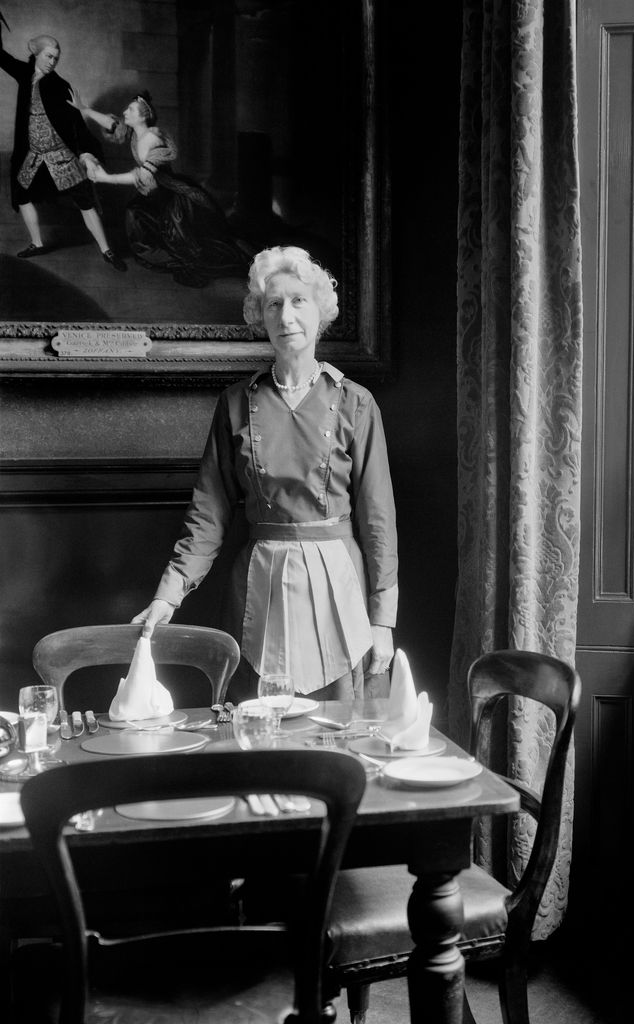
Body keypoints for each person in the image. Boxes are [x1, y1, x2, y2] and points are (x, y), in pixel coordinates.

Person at [132, 246, 398, 701]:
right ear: (260, 315)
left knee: (339, 733)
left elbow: (378, 520)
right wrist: (167, 596)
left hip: (340, 585)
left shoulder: (356, 402)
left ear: (320, 313)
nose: (286, 316)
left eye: (299, 301)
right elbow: (208, 513)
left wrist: (383, 622)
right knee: (255, 725)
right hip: (259, 584)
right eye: (273, 304)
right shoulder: (236, 402)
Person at [70, 90, 254, 288]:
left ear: (143, 116)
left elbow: (142, 175)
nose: (124, 112)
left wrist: (106, 178)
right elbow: (113, 125)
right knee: (135, 215)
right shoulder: (135, 132)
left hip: (171, 196)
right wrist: (85, 110)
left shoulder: (154, 139)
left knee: (189, 246)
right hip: (153, 193)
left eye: (130, 109)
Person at [0, 24, 125, 270]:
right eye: (49, 56)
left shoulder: (60, 86)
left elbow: (77, 124)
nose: (52, 62)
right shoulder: (25, 74)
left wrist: (86, 153)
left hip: (61, 156)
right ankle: (37, 243)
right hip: (33, 155)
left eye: (56, 58)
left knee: (85, 201)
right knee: (23, 196)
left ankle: (107, 250)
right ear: (37, 54)